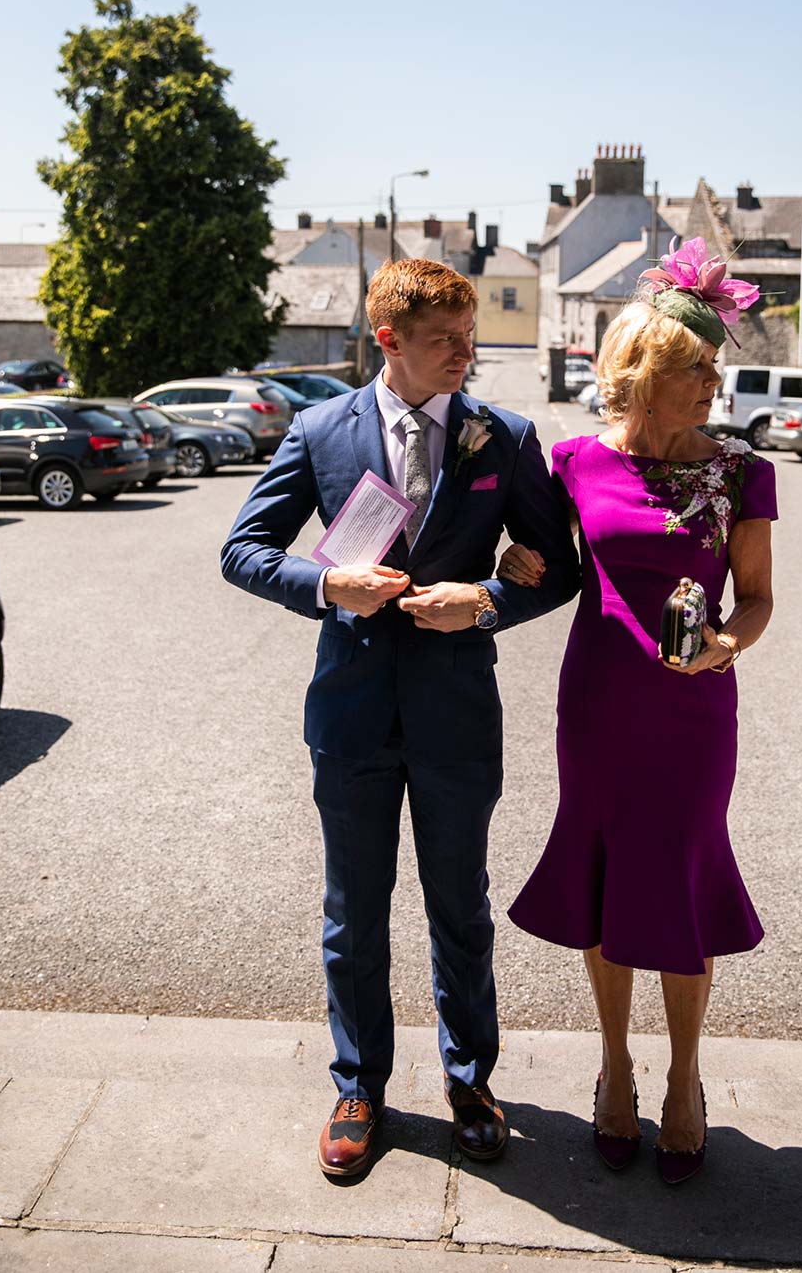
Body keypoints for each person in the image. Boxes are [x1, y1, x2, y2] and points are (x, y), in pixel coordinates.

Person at [220, 258, 579, 1180]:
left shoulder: (505, 436)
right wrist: (328, 582)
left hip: (458, 716)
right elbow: (243, 550)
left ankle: (469, 1081)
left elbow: (560, 568)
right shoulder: (319, 430)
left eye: (468, 336)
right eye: (444, 340)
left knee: (461, 908)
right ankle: (359, 1085)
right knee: (354, 914)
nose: (467, 352)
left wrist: (489, 598)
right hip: (352, 714)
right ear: (388, 342)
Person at [500, 237, 776, 1185]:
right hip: (600, 703)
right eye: (693, 370)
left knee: (684, 875)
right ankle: (615, 1067)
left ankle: (686, 1081)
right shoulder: (574, 460)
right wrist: (510, 564)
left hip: (696, 715)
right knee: (607, 876)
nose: (710, 385)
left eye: (714, 368)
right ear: (642, 375)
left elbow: (758, 597)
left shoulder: (741, 470)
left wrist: (726, 648)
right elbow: (538, 555)